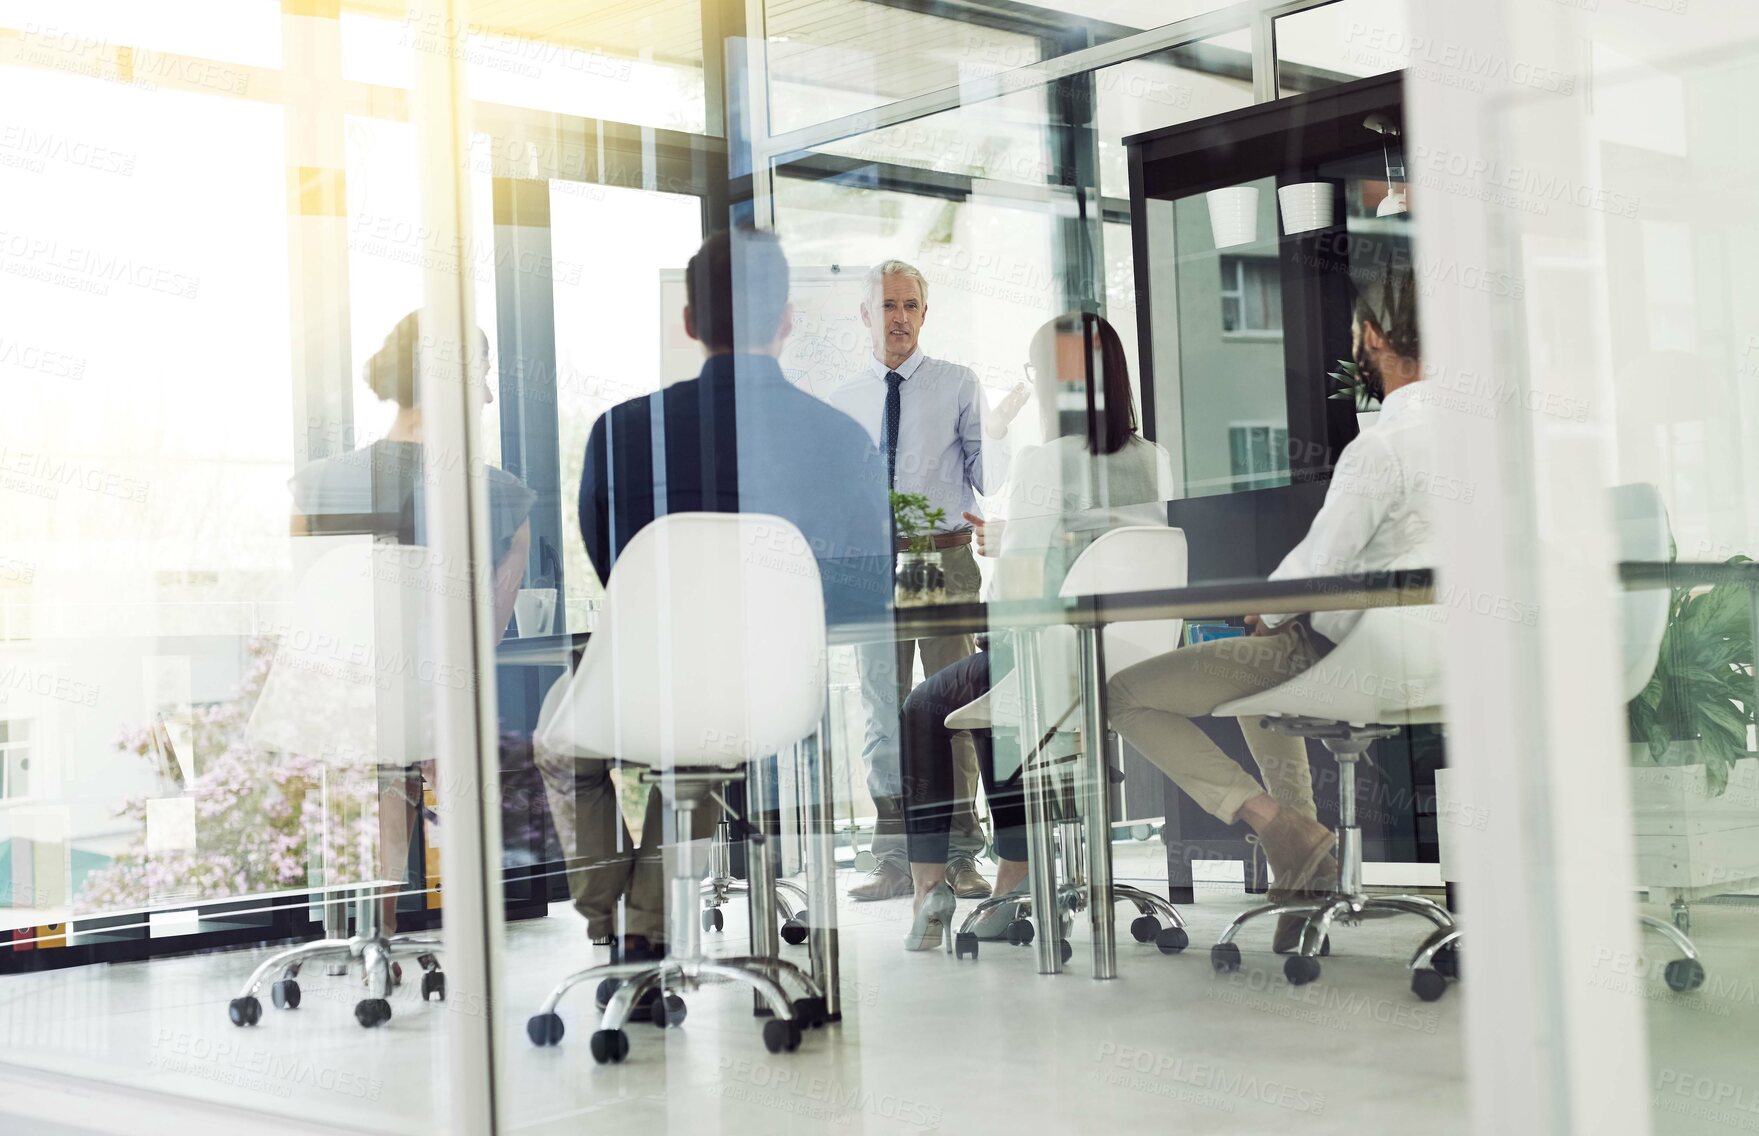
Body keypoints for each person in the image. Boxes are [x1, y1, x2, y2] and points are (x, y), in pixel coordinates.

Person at [537, 228, 892, 961]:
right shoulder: (838, 437)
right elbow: (867, 587)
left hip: (651, 677)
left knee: (561, 741)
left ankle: (612, 913)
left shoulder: (621, 432)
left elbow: (614, 566)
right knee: (698, 745)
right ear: (787, 321)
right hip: (772, 690)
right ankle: (641, 917)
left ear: (690, 323)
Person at [1106, 260, 1430, 954]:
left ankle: (1276, 824)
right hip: (1453, 663)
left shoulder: (1383, 448)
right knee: (1261, 667)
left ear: (1371, 336)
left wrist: (1268, 607)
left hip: (1361, 660)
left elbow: (1316, 565)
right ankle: (1301, 868)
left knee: (1125, 695)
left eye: (1353, 331)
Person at [896, 311, 1175, 948]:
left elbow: (1021, 595)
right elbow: (1111, 549)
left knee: (932, 703)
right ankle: (1012, 877)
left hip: (1054, 659)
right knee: (1003, 689)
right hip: (1134, 658)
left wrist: (1004, 549)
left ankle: (934, 888)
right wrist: (1020, 540)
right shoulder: (1155, 459)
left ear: (1054, 383)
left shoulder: (1042, 462)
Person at [286, 310, 536, 936]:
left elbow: (310, 612)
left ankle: (377, 934)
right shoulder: (502, 497)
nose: (484, 396)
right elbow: (485, 639)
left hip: (333, 709)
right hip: (435, 712)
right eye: (481, 377)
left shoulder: (313, 489)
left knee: (387, 758)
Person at [829, 259, 1022, 903]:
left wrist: (1000, 427)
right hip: (871, 564)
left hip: (938, 557)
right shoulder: (845, 397)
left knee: (953, 710)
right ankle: (892, 858)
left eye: (911, 306)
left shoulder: (957, 383)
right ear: (865, 315)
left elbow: (990, 478)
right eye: (888, 306)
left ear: (924, 313)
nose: (901, 319)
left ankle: (962, 853)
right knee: (883, 710)